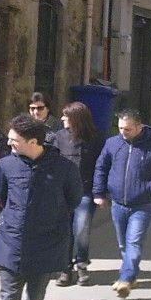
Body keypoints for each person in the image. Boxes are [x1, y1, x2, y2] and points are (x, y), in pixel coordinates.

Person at [0, 114, 82, 300]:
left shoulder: (64, 168)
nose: (8, 143)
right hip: (12, 243)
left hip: (46, 244)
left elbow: (73, 199)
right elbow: (3, 198)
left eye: (14, 140)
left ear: (33, 142)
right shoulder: (6, 165)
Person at [92, 109, 151, 299]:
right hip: (118, 204)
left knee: (134, 242)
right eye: (120, 128)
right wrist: (99, 193)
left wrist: (149, 188)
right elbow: (101, 167)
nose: (123, 132)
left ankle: (125, 279)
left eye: (127, 129)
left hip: (143, 205)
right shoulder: (112, 144)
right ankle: (132, 275)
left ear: (139, 127)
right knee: (123, 244)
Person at [49, 102, 106, 287]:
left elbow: (101, 167)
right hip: (63, 192)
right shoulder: (59, 137)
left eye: (66, 116)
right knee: (65, 231)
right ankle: (65, 268)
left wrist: (100, 192)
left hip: (86, 191)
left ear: (77, 118)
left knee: (81, 229)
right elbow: (52, 163)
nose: (63, 119)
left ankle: (81, 264)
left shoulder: (96, 138)